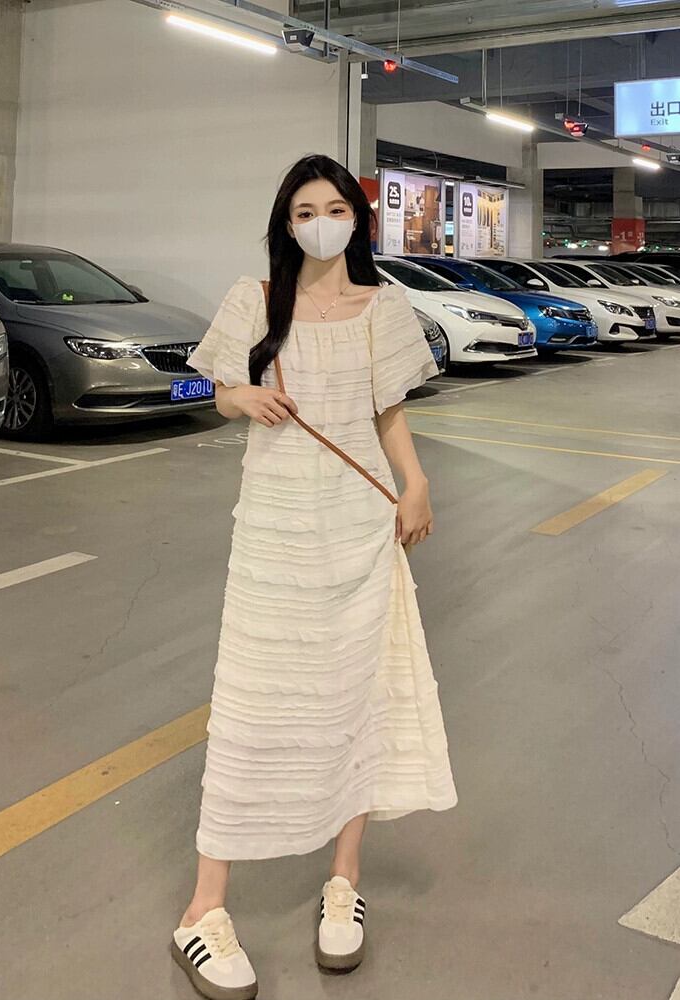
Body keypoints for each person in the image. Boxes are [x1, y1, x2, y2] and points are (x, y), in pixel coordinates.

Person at [172, 153, 457, 1000]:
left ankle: (344, 879)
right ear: (285, 223)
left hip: (360, 527)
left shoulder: (385, 305)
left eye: (335, 208)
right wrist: (241, 400)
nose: (321, 222)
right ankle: (203, 910)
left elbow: (387, 411)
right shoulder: (253, 299)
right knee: (251, 707)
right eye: (304, 211)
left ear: (356, 221)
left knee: (353, 699)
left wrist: (416, 483)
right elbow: (219, 387)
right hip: (275, 530)